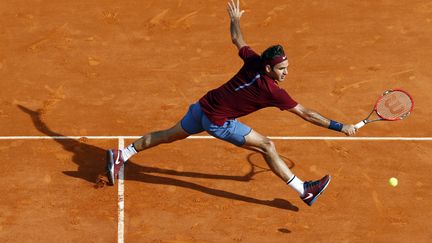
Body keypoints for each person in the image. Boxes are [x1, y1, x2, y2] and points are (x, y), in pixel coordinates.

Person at [106, 0, 357, 206]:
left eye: (287, 68)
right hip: (218, 122)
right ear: (269, 67)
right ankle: (304, 190)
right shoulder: (273, 91)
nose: (286, 73)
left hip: (204, 107)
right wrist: (340, 126)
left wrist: (235, 19)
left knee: (170, 134)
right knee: (267, 146)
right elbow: (306, 114)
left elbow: (238, 39)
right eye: (282, 69)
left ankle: (123, 155)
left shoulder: (254, 61)